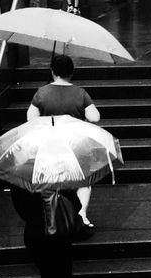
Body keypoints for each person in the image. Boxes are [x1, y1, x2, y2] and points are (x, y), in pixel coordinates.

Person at [27, 53, 102, 226]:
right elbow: (95, 117)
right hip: (75, 144)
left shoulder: (41, 93)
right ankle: (82, 213)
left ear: (52, 71)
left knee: (53, 179)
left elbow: (31, 118)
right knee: (83, 179)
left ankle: (53, 215)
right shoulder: (80, 93)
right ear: (72, 72)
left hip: (50, 144)